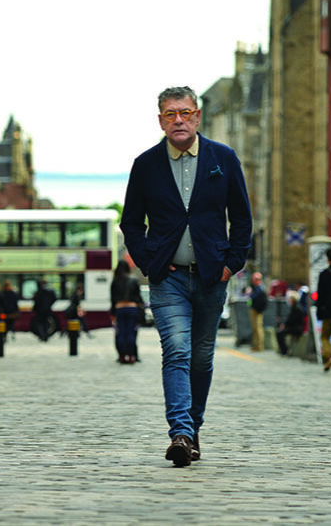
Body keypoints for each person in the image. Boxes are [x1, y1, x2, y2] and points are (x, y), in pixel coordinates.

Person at [120, 85, 252, 467]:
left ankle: (192, 429)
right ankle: (179, 432)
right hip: (168, 278)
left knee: (202, 358)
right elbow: (130, 222)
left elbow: (241, 219)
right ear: (160, 120)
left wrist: (232, 263)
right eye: (169, 114)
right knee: (176, 350)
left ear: (197, 116)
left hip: (212, 276)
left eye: (184, 112)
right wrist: (149, 261)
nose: (178, 120)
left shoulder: (223, 158)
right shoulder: (146, 165)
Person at [110, 261, 144, 363]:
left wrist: (113, 313)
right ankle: (131, 356)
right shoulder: (134, 279)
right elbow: (138, 297)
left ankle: (121, 356)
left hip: (119, 308)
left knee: (121, 332)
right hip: (132, 308)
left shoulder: (115, 281)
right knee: (131, 332)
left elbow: (112, 299)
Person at [275, 287, 307, 356]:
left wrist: (285, 325)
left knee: (279, 333)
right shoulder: (296, 307)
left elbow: (292, 320)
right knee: (280, 332)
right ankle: (284, 349)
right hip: (295, 326)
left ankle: (285, 350)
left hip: (297, 328)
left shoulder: (296, 308)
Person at [248, 272, 268, 352]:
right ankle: (255, 345)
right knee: (255, 328)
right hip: (254, 309)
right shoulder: (256, 287)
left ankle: (259, 346)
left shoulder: (260, 288)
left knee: (258, 328)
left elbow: (256, 298)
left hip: (257, 310)